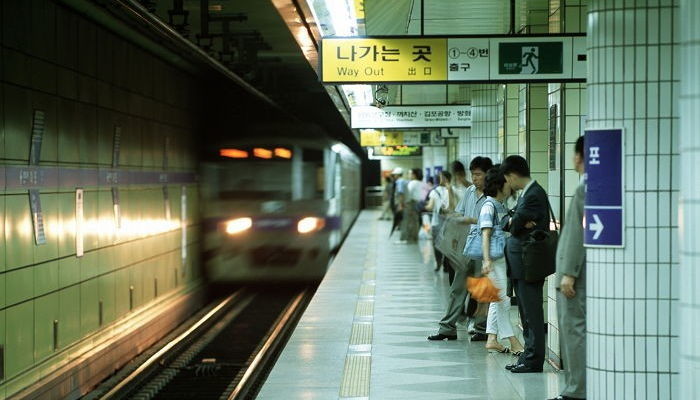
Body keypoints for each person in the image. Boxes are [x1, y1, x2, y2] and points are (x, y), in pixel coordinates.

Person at [428, 157, 492, 342]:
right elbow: (461, 212)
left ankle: (481, 328)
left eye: (479, 174)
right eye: (473, 174)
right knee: (457, 288)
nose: (475, 178)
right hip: (466, 246)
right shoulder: (471, 191)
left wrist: (471, 220)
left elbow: (496, 223)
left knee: (481, 290)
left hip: (483, 249)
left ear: (488, 174)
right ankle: (447, 327)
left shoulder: (493, 196)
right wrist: (453, 216)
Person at [502, 155, 550, 373]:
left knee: (531, 313)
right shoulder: (528, 194)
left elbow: (514, 224)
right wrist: (516, 222)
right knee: (525, 313)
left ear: (512, 175)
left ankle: (533, 360)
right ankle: (528, 357)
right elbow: (508, 221)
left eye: (507, 179)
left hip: (528, 263)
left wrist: (516, 222)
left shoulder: (533, 194)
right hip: (522, 263)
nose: (508, 184)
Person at [549, 136, 587, 400]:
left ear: (578, 157)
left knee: (573, 330)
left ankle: (576, 390)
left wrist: (569, 274)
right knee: (575, 331)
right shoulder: (591, 186)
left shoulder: (587, 188)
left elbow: (577, 233)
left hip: (574, 276)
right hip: (574, 273)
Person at [479, 167, 524, 355]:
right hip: (495, 260)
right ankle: (513, 341)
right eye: (506, 182)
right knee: (503, 301)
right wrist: (486, 260)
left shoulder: (500, 204)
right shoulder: (489, 206)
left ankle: (491, 338)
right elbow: (485, 233)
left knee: (497, 300)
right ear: (499, 185)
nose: (510, 186)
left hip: (500, 258)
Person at [425, 171, 455, 271]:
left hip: (436, 222)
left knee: (437, 244)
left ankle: (438, 263)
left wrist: (423, 206)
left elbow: (430, 207)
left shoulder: (434, 191)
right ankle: (446, 265)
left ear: (445, 178)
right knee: (448, 244)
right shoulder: (453, 190)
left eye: (440, 177)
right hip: (450, 222)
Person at [400, 168, 424, 243]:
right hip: (419, 203)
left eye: (410, 174)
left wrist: (404, 203)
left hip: (411, 203)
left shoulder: (412, 183)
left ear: (414, 175)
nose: (409, 175)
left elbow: (408, 194)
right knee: (415, 221)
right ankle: (414, 238)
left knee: (408, 221)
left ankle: (407, 238)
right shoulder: (421, 183)